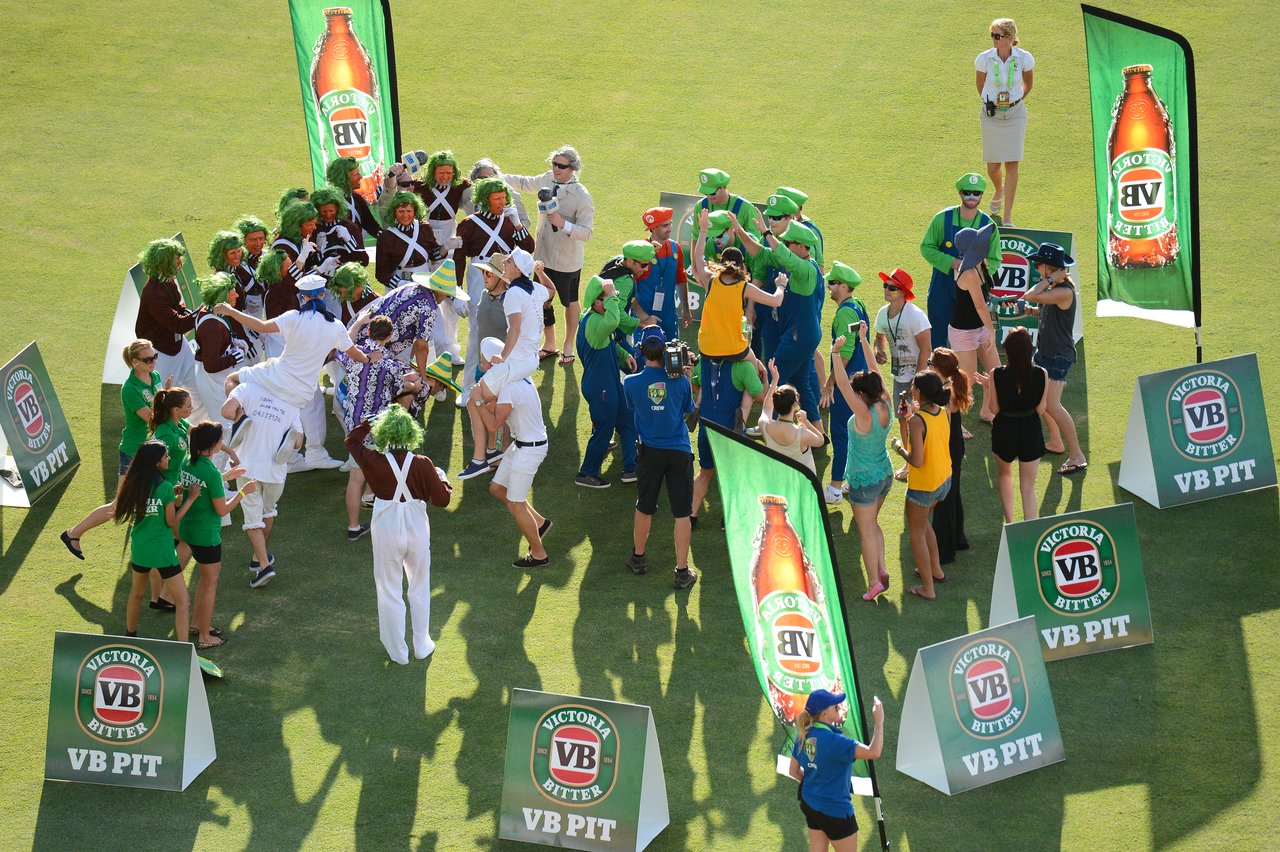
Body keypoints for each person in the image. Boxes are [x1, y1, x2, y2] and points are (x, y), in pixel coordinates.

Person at [344, 406, 452, 665]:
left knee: (389, 589)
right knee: (419, 586)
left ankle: (397, 652)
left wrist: (372, 420)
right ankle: (421, 644)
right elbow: (442, 500)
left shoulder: (373, 461)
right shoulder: (423, 464)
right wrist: (443, 480)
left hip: (386, 530)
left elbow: (351, 440)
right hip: (416, 530)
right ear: (411, 432)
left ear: (383, 433)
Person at [60, 340, 167, 563]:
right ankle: (73, 534)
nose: (153, 361)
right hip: (133, 452)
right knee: (119, 505)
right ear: (135, 362)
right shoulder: (129, 389)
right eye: (148, 359)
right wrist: (172, 404)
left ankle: (151, 543)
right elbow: (151, 419)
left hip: (150, 450)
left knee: (151, 498)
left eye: (154, 356)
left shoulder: (154, 377)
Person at [501, 146, 595, 365]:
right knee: (542, 300)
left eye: (561, 166)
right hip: (542, 256)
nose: (556, 169)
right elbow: (524, 183)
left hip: (567, 260)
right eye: (554, 164)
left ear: (573, 168)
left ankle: (568, 344)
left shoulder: (581, 196)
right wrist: (497, 176)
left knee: (570, 302)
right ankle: (549, 343)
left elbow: (587, 232)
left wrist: (563, 224)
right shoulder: (547, 179)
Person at [621, 327, 698, 590]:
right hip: (679, 452)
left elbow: (634, 407)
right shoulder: (681, 383)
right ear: (666, 351)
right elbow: (690, 411)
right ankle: (682, 571)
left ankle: (638, 558)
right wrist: (685, 377)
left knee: (645, 506)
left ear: (641, 350)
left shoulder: (630, 383)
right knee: (682, 512)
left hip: (650, 453)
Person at [736, 219, 825, 428]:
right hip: (800, 333)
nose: (784, 246)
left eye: (789, 243)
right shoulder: (789, 261)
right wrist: (740, 231)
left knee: (773, 373)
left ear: (802, 247)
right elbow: (760, 252)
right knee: (801, 382)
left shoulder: (807, 270)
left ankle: (769, 424)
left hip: (799, 335)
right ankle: (819, 434)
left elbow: (786, 258)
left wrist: (767, 233)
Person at [828, 332, 894, 601]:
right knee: (873, 524)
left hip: (864, 481)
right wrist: (864, 340)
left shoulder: (864, 415)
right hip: (885, 474)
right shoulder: (886, 403)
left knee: (865, 531)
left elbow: (843, 386)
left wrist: (835, 353)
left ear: (862, 395)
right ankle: (881, 568)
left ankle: (873, 582)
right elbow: (875, 371)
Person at [220, 377, 303, 588]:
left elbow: (226, 411)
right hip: (275, 470)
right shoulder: (292, 402)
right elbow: (298, 442)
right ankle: (258, 559)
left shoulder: (247, 388)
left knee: (252, 518)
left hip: (247, 466)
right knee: (268, 512)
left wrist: (240, 415)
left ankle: (265, 566)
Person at [455, 179, 536, 390]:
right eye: (497, 198)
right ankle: (469, 385)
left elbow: (528, 247)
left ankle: (506, 379)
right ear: (484, 200)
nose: (502, 202)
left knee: (507, 326)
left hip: (505, 277)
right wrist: (456, 290)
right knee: (477, 330)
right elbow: (458, 258)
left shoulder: (509, 221)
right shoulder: (469, 224)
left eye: (503, 198)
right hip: (478, 276)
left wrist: (518, 223)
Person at [116, 440, 201, 641]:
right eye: (165, 456)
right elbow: (171, 522)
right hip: (163, 553)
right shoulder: (164, 487)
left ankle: (130, 634)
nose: (168, 459)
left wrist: (172, 496)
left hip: (140, 550)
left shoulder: (132, 483)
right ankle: (183, 646)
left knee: (136, 594)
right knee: (182, 601)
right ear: (156, 462)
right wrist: (189, 499)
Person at [179, 421, 253, 649]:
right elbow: (222, 510)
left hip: (188, 530)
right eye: (220, 441)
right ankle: (204, 636)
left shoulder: (187, 462)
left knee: (204, 579)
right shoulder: (210, 472)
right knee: (210, 583)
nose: (222, 444)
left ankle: (196, 624)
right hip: (207, 536)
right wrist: (243, 492)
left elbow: (204, 486)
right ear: (211, 445)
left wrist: (226, 476)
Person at [788, 690, 884, 852]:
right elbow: (874, 752)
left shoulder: (803, 735)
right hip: (836, 812)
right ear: (824, 713)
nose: (839, 706)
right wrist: (879, 723)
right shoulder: (838, 742)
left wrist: (815, 782)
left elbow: (793, 772)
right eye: (835, 706)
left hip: (810, 803)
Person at [1023, 243, 1087, 475]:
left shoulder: (1063, 290)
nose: (1036, 268)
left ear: (1049, 268)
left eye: (1039, 265)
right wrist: (1031, 312)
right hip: (1046, 353)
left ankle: (1077, 455)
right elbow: (1045, 309)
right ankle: (1056, 442)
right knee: (1041, 401)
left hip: (1057, 356)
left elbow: (1031, 295)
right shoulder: (1058, 289)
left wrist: (1049, 281)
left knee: (1052, 405)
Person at [889, 371, 952, 601]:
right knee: (924, 523)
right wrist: (907, 419)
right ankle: (936, 571)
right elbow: (925, 442)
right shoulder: (943, 412)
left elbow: (916, 460)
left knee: (916, 533)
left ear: (920, 392)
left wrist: (897, 447)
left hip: (923, 486)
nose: (911, 388)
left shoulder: (918, 421)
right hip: (944, 480)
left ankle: (928, 588)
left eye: (914, 386)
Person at [920, 174, 1001, 349]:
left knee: (970, 332)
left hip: (971, 287)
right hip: (942, 283)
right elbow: (927, 247)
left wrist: (978, 277)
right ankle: (939, 370)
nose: (972, 197)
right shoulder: (942, 218)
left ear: (982, 195)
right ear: (960, 193)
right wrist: (954, 263)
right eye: (967, 192)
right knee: (938, 329)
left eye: (977, 193)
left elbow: (995, 259)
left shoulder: (988, 224)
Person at [688, 347, 767, 527]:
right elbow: (761, 396)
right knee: (732, 476)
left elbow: (695, 384)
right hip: (730, 431)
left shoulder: (704, 360)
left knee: (704, 473)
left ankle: (690, 516)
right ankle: (728, 520)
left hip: (706, 429)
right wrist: (764, 374)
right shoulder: (744, 366)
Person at [977, 327, 1047, 523]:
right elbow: (1041, 409)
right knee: (1028, 487)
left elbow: (993, 409)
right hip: (1030, 430)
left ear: (1006, 350)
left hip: (1004, 430)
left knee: (1004, 475)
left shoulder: (996, 374)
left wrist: (989, 387)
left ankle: (1010, 523)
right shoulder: (1042, 373)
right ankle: (1030, 527)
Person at [574, 276, 638, 489]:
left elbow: (608, 342)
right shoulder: (594, 321)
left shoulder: (593, 318)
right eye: (609, 300)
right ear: (598, 303)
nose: (614, 302)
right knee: (603, 428)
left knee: (627, 421)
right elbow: (613, 322)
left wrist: (623, 355)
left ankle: (631, 467)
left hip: (608, 384)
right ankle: (587, 473)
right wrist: (611, 295)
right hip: (601, 388)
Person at [873, 268, 932, 481]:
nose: (887, 290)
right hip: (899, 376)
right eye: (885, 286)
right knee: (903, 420)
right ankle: (910, 463)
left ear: (904, 292)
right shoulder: (882, 313)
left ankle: (926, 458)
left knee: (923, 420)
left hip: (921, 376)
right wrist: (879, 350)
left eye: (892, 287)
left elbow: (926, 349)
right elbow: (879, 337)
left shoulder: (915, 316)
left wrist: (918, 379)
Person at [819, 263, 871, 504]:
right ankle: (854, 480)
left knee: (840, 434)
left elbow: (845, 351)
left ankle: (835, 488)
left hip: (847, 384)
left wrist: (830, 383)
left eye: (832, 283)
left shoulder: (844, 313)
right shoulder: (858, 305)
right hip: (861, 383)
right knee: (856, 433)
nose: (828, 287)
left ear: (842, 286)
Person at [489, 376, 552, 568]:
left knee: (516, 504)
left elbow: (493, 425)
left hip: (529, 449)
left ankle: (539, 554)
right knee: (497, 488)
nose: (481, 364)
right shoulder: (517, 379)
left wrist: (476, 402)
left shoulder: (509, 387)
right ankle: (540, 524)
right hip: (521, 445)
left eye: (483, 361)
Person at [977, 18, 1034, 226]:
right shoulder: (984, 58)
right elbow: (980, 85)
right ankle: (998, 189)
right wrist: (991, 102)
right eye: (992, 35)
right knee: (993, 166)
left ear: (1009, 38)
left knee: (1012, 163)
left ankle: (1008, 217)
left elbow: (1028, 83)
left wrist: (1015, 101)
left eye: (998, 36)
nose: (994, 39)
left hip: (1015, 115)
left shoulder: (1024, 58)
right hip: (991, 115)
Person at [134, 239, 200, 411]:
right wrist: (202, 312)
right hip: (161, 354)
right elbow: (177, 325)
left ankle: (198, 431)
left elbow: (178, 308)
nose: (179, 261)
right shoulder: (154, 293)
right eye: (175, 257)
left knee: (199, 386)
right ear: (163, 262)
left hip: (179, 346)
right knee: (164, 402)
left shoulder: (168, 281)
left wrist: (190, 313)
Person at [949, 224, 1002, 424]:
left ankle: (987, 412)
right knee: (966, 382)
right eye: (982, 242)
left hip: (978, 327)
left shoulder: (981, 265)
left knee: (995, 374)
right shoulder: (969, 272)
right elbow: (980, 307)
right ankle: (953, 423)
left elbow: (983, 301)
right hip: (963, 331)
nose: (986, 244)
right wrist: (992, 331)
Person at [925, 349, 973, 564]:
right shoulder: (949, 387)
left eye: (929, 363)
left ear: (937, 369)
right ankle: (957, 539)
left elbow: (943, 426)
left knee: (943, 498)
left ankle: (944, 552)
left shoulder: (947, 393)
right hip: (954, 446)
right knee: (953, 494)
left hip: (948, 448)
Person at [193, 272, 252, 437]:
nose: (237, 296)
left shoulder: (210, 311)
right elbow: (211, 365)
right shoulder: (212, 326)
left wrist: (233, 342)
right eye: (232, 293)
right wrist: (235, 357)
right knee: (226, 429)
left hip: (215, 376)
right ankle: (223, 462)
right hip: (213, 379)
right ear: (221, 297)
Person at [758, 362, 824, 473]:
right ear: (795, 404)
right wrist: (806, 422)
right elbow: (821, 440)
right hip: (801, 484)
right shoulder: (802, 433)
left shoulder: (764, 425)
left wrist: (774, 380)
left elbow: (766, 408)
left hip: (779, 480)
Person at [637, 207, 692, 340]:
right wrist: (641, 316)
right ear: (654, 227)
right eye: (665, 225)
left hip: (668, 314)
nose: (670, 228)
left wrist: (686, 308)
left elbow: (680, 278)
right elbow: (631, 287)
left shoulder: (675, 247)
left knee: (672, 355)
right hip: (646, 316)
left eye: (671, 223)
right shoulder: (640, 251)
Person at [689, 168, 766, 262]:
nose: (709, 197)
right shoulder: (700, 206)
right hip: (714, 264)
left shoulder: (745, 208)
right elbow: (696, 237)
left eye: (712, 193)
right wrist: (695, 266)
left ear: (724, 187)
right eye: (706, 193)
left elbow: (755, 243)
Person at [374, 189, 442, 289]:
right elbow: (381, 273)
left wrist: (446, 247)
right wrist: (400, 284)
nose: (405, 215)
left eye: (409, 211)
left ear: (415, 211)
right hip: (397, 286)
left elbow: (433, 255)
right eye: (401, 211)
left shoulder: (425, 228)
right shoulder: (386, 237)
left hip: (424, 282)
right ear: (394, 213)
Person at [326, 155, 382, 241]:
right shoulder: (330, 202)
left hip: (356, 251)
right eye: (355, 174)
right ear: (343, 178)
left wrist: (388, 239)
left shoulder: (356, 197)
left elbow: (371, 226)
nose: (360, 177)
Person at [234, 215, 271, 320]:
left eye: (261, 238)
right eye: (253, 239)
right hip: (244, 316)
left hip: (268, 310)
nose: (259, 243)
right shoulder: (236, 262)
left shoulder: (268, 256)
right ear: (243, 240)